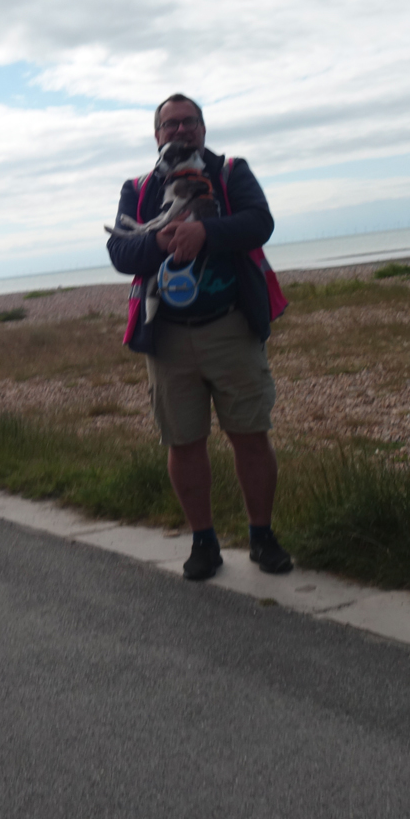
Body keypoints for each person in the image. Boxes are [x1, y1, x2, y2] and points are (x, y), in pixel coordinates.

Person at [107, 93, 291, 582]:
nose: (180, 130)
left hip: (231, 327)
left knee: (250, 436)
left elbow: (260, 223)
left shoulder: (231, 172)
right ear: (157, 134)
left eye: (189, 122)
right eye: (171, 124)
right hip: (167, 337)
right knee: (183, 442)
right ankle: (203, 543)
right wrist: (159, 242)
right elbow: (120, 252)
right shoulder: (139, 188)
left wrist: (206, 234)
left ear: (204, 129)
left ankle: (262, 537)